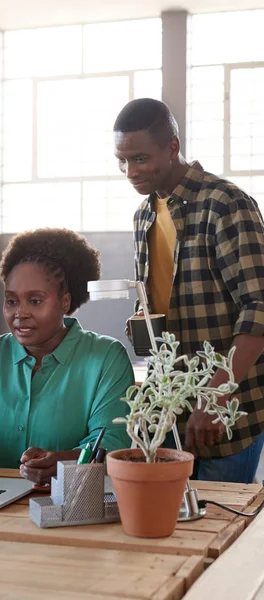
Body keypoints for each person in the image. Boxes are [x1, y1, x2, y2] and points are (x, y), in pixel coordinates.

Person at [114, 97, 264, 483]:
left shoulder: (225, 203)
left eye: (140, 159)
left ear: (172, 147)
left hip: (228, 408)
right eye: (122, 160)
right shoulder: (144, 214)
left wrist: (213, 397)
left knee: (220, 529)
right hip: (174, 410)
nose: (130, 171)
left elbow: (258, 308)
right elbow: (155, 302)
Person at [0, 228, 134, 485]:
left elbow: (113, 442)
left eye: (35, 301)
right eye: (11, 301)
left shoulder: (105, 359)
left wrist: (63, 462)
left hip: (69, 503)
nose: (20, 313)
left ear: (65, 302)